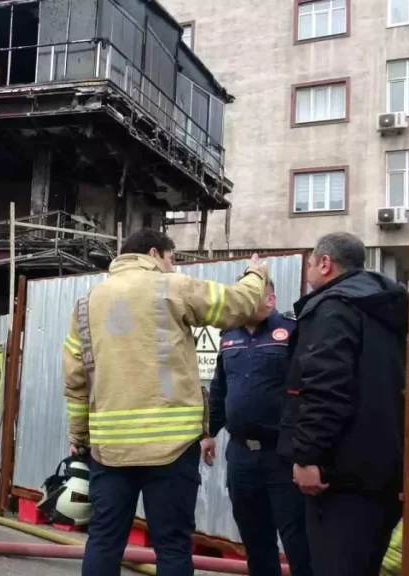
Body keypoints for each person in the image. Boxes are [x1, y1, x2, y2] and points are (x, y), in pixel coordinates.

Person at [62, 229, 269, 576]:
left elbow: (75, 379)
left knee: (103, 541)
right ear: (155, 253)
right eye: (172, 258)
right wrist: (256, 274)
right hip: (171, 450)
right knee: (171, 545)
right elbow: (237, 304)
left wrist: (80, 437)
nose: (173, 266)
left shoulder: (86, 304)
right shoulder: (173, 287)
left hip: (109, 450)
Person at [278, 232, 409, 576]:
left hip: (338, 481)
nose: (308, 272)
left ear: (325, 263)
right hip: (389, 474)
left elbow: (323, 388)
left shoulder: (332, 308)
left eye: (309, 264)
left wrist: (306, 456)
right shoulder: (400, 310)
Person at [201, 280, 312, 576]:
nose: (244, 302)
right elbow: (219, 389)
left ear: (270, 299)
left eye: (252, 296)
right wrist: (210, 433)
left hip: (283, 454)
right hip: (241, 455)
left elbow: (307, 389)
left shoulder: (290, 331)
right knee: (255, 540)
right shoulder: (229, 337)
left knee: (297, 541)